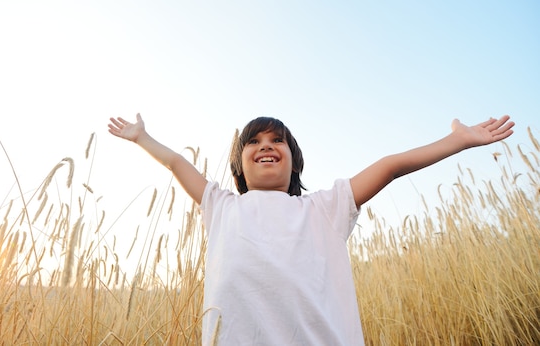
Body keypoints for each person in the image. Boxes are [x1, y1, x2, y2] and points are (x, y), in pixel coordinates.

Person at [108, 114, 514, 345]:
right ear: (239, 166)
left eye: (277, 141)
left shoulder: (324, 207)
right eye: (255, 142)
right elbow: (178, 163)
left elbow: (390, 166)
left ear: (294, 162)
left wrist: (456, 141)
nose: (266, 145)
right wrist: (143, 137)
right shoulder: (222, 206)